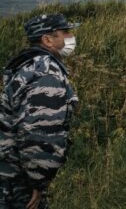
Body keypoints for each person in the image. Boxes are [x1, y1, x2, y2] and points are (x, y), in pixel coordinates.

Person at [0, 14, 80, 208]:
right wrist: (39, 181)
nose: (71, 37)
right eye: (65, 32)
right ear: (47, 40)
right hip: (17, 183)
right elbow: (40, 132)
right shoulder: (46, 72)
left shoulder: (30, 64)